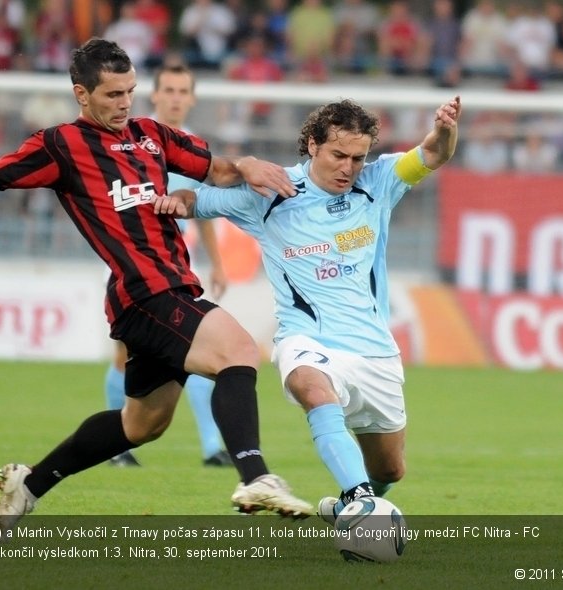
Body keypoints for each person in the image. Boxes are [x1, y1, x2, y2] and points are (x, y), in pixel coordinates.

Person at [0, 38, 313, 532]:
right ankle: (256, 477)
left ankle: (28, 486)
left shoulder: (154, 134)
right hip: (147, 293)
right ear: (81, 94)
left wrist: (245, 166)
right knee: (237, 350)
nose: (125, 102)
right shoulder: (59, 146)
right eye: (113, 95)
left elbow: (216, 169)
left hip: (167, 290)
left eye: (130, 91)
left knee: (143, 425)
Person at [154, 95, 461, 522]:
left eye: (357, 157)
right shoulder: (272, 192)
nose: (349, 167)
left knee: (390, 469)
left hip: (375, 351)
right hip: (308, 339)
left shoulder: (379, 181)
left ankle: (346, 504)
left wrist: (445, 131)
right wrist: (176, 203)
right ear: (313, 145)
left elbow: (432, 153)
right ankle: (361, 502)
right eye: (339, 155)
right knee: (312, 388)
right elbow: (196, 200)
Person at [107, 62, 231, 469]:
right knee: (124, 356)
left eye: (183, 91)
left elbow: (205, 208)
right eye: (169, 90)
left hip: (177, 268)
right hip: (134, 264)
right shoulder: (131, 141)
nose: (176, 97)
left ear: (192, 98)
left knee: (195, 352)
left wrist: (217, 263)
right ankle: (119, 446)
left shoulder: (193, 147)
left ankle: (213, 445)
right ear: (155, 95)